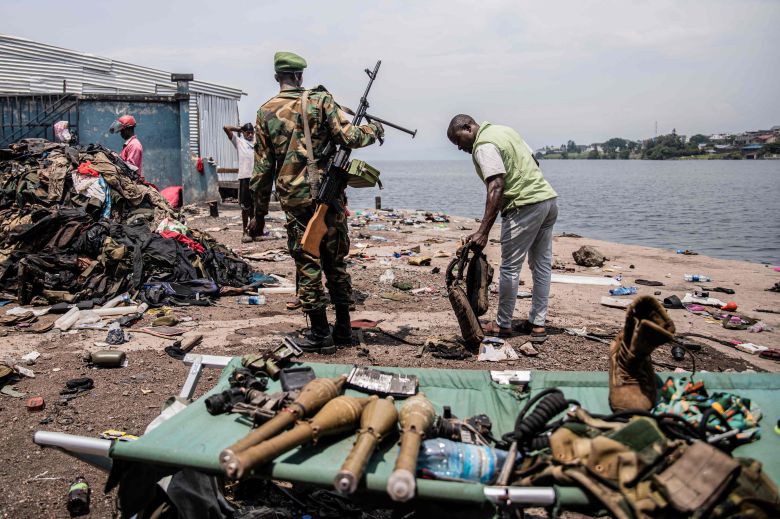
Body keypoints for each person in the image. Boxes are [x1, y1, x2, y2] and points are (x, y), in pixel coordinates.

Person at [248, 51, 383, 354]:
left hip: (294, 201)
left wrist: (256, 215)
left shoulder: (265, 112)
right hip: (329, 195)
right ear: (300, 76)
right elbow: (350, 137)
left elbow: (261, 171)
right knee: (335, 259)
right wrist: (374, 130)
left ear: (277, 78)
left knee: (308, 261)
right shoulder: (320, 101)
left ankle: (321, 333)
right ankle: (345, 329)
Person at [447, 114, 558, 342]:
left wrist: (483, 231)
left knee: (510, 268)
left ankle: (503, 324)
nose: (459, 148)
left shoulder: (483, 145)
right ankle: (538, 324)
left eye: (458, 141)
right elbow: (534, 162)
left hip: (523, 206)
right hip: (547, 200)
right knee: (541, 266)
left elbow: (496, 185)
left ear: (468, 127)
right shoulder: (505, 131)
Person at [223, 122, 257, 242]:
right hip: (244, 177)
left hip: (256, 178)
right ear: (243, 133)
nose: (250, 134)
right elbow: (226, 127)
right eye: (248, 132)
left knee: (254, 207)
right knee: (245, 207)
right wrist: (239, 128)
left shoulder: (256, 143)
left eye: (252, 132)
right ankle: (244, 232)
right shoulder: (239, 141)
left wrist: (256, 128)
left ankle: (253, 232)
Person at [110, 115, 144, 182]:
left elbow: (130, 169)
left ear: (128, 129)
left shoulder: (134, 145)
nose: (121, 134)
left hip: (130, 182)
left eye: (122, 131)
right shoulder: (129, 144)